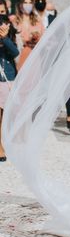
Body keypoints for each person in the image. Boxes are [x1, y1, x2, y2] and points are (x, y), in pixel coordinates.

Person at [0, 14, 19, 162]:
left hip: (8, 81)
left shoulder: (10, 40)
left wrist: (5, 39)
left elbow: (15, 53)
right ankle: (0, 148)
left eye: (5, 23)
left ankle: (4, 143)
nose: (3, 26)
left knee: (5, 117)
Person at [14, 0, 45, 71]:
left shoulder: (37, 20)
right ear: (20, 5)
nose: (28, 5)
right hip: (21, 56)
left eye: (30, 2)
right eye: (25, 3)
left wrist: (36, 38)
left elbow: (44, 36)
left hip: (35, 56)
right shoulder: (15, 21)